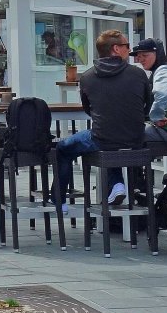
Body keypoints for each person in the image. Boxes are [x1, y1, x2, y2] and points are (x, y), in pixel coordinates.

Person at [51, 29, 151, 212]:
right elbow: (148, 104)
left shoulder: (87, 77)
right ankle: (117, 184)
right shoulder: (137, 74)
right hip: (136, 137)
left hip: (102, 136)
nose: (130, 50)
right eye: (127, 46)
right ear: (116, 49)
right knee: (110, 140)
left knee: (63, 148)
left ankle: (59, 200)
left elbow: (88, 109)